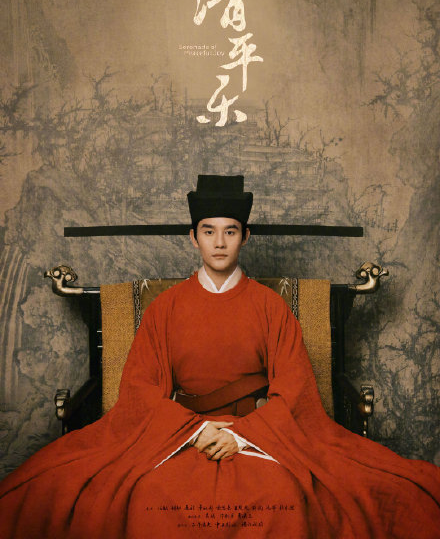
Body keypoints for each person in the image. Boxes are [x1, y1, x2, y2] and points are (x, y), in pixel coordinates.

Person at [0, 174, 439, 539]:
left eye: (230, 231)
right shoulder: (165, 309)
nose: (220, 243)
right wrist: (194, 431)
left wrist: (241, 436)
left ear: (245, 237)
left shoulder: (270, 307)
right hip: (181, 435)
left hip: (256, 436)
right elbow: (140, 390)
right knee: (152, 497)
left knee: (279, 496)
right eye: (208, 231)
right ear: (193, 238)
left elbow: (295, 391)